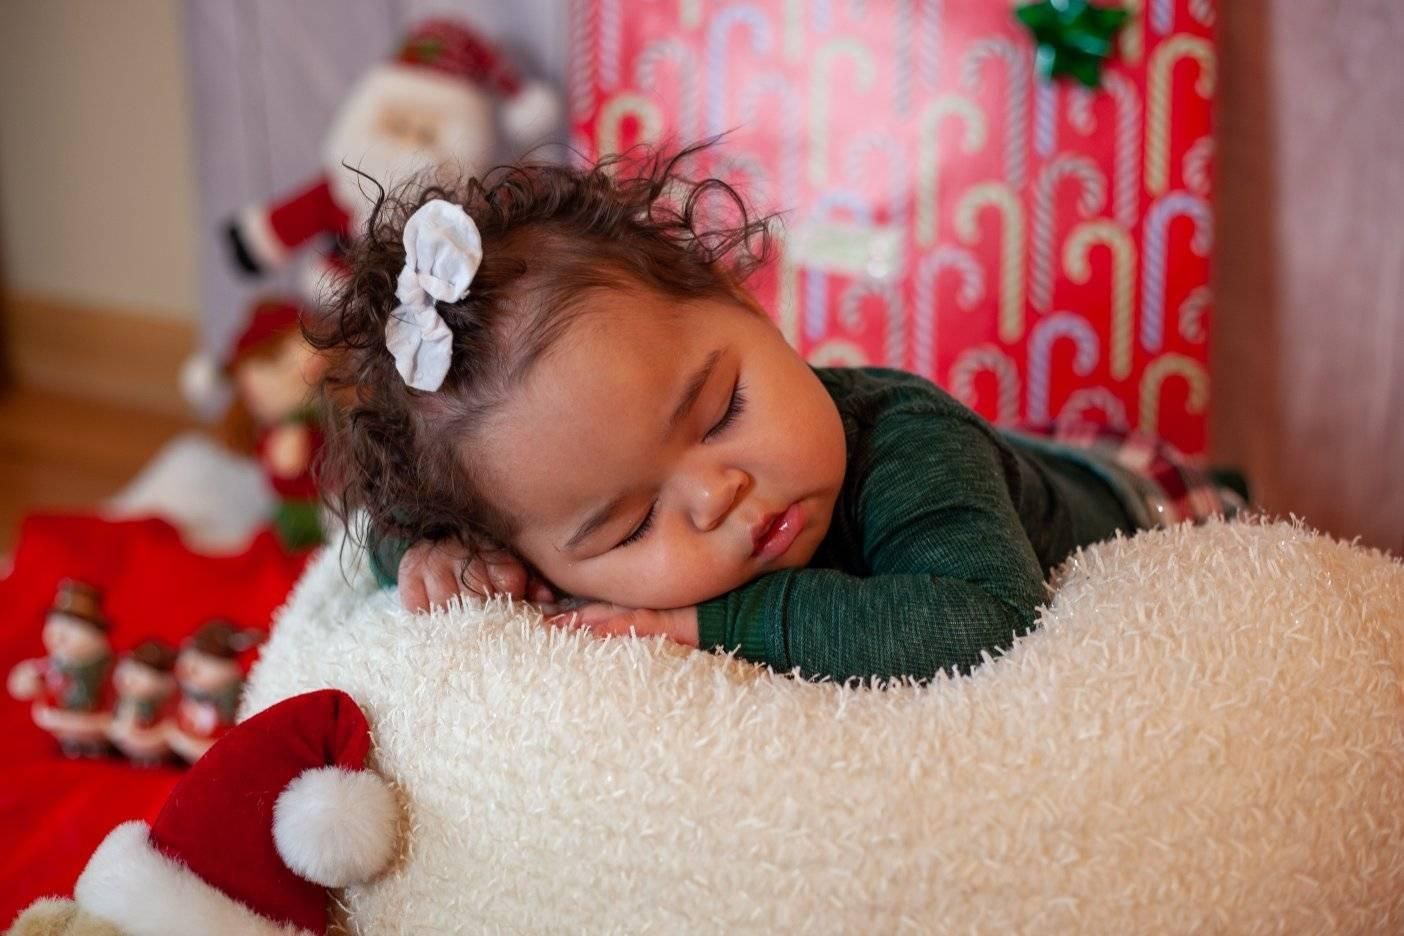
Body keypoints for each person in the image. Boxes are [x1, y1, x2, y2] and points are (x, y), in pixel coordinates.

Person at [309, 144, 1243, 683]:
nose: (719, 493)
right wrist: (438, 558)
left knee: (1169, 500)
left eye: (720, 412)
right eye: (631, 525)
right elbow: (421, 516)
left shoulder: (906, 443)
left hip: (1123, 496)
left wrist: (713, 627)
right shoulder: (529, 505)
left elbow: (982, 618)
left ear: (742, 299)